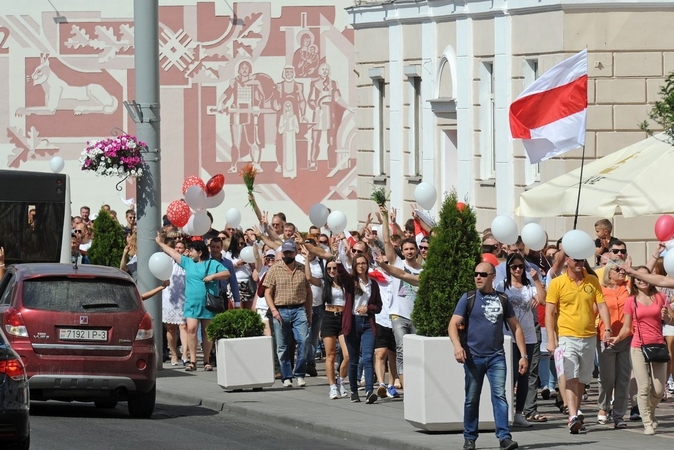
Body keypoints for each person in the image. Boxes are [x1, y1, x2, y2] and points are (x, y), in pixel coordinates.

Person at [448, 262, 527, 450]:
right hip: (473, 357)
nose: (478, 277)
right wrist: (457, 346)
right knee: (471, 398)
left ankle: (504, 438)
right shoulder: (468, 298)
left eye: (483, 274)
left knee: (500, 396)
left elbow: (516, 327)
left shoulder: (502, 299)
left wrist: (523, 355)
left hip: (496, 357)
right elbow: (453, 324)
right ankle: (469, 437)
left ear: (493, 277)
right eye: (475, 274)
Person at [546, 254, 612, 434]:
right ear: (567, 260)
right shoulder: (557, 283)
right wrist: (551, 339)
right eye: (575, 259)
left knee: (583, 378)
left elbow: (602, 305)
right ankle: (572, 415)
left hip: (589, 336)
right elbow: (549, 313)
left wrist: (607, 329)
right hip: (567, 336)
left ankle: (576, 411)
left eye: (582, 260)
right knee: (571, 376)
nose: (579, 263)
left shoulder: (592, 280)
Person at [155, 235, 230, 372]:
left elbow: (226, 273)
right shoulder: (188, 262)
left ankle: (207, 360)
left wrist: (213, 276)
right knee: (191, 330)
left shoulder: (211, 263)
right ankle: (193, 360)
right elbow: (173, 253)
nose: (189, 253)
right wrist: (160, 243)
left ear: (200, 252)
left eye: (192, 251)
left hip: (208, 304)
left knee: (207, 333)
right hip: (191, 303)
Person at [614, 265, 674, 435]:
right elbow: (627, 327)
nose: (642, 280)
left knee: (659, 390)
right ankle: (647, 421)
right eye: (638, 277)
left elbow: (672, 320)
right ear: (634, 281)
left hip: (658, 345)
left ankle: (650, 410)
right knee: (644, 386)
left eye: (645, 277)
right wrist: (617, 338)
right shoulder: (630, 301)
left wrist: (666, 317)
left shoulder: (660, 297)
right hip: (638, 346)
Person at [494, 253, 546, 426]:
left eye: (520, 266)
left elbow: (543, 300)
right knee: (510, 374)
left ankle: (519, 413)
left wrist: (537, 280)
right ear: (508, 269)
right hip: (508, 335)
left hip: (529, 335)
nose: (517, 270)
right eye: (513, 267)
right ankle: (505, 412)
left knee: (525, 375)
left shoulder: (529, 286)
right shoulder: (502, 286)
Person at [380, 205, 423, 389]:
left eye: (412, 248)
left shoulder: (424, 268)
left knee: (418, 351)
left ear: (417, 250)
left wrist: (419, 220)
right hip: (398, 314)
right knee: (402, 348)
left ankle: (416, 383)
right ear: (403, 251)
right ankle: (406, 387)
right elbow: (388, 242)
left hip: (417, 316)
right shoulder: (397, 262)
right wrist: (384, 219)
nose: (409, 251)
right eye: (406, 249)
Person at [263, 240, 312, 387]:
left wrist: (309, 313)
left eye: (290, 252)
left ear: (295, 253)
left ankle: (300, 373)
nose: (287, 255)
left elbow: (309, 290)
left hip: (298, 308)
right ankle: (286, 376)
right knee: (282, 345)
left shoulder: (302, 269)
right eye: (285, 252)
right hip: (280, 309)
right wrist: (273, 310)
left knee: (304, 341)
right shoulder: (274, 269)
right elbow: (267, 292)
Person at [303, 250, 349, 398]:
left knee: (347, 355)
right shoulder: (324, 283)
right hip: (329, 317)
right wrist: (306, 259)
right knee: (331, 355)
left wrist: (339, 253)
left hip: (343, 318)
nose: (332, 271)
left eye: (334, 268)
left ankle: (341, 381)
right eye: (329, 269)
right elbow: (309, 277)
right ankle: (332, 386)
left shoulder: (344, 284)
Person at [342, 254, 382, 404]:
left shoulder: (373, 284)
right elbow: (341, 273)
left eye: (363, 263)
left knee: (367, 358)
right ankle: (353, 390)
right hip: (352, 323)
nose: (361, 266)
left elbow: (378, 306)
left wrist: (368, 308)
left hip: (367, 324)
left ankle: (369, 390)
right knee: (353, 360)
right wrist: (338, 255)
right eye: (358, 263)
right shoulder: (351, 282)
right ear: (354, 265)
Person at [596, 261, 631, 429]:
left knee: (623, 378)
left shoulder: (627, 288)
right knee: (607, 377)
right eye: (618, 270)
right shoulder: (600, 290)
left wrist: (628, 269)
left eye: (622, 270)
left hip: (626, 337)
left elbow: (644, 273)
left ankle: (619, 415)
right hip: (606, 338)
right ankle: (603, 408)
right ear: (609, 273)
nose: (621, 272)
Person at [161, 238, 189, 366]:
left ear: (185, 250)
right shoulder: (168, 262)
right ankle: (173, 354)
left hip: (184, 297)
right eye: (176, 247)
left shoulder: (188, 263)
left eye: (181, 247)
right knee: (171, 328)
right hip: (170, 297)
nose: (178, 249)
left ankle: (185, 354)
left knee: (184, 326)